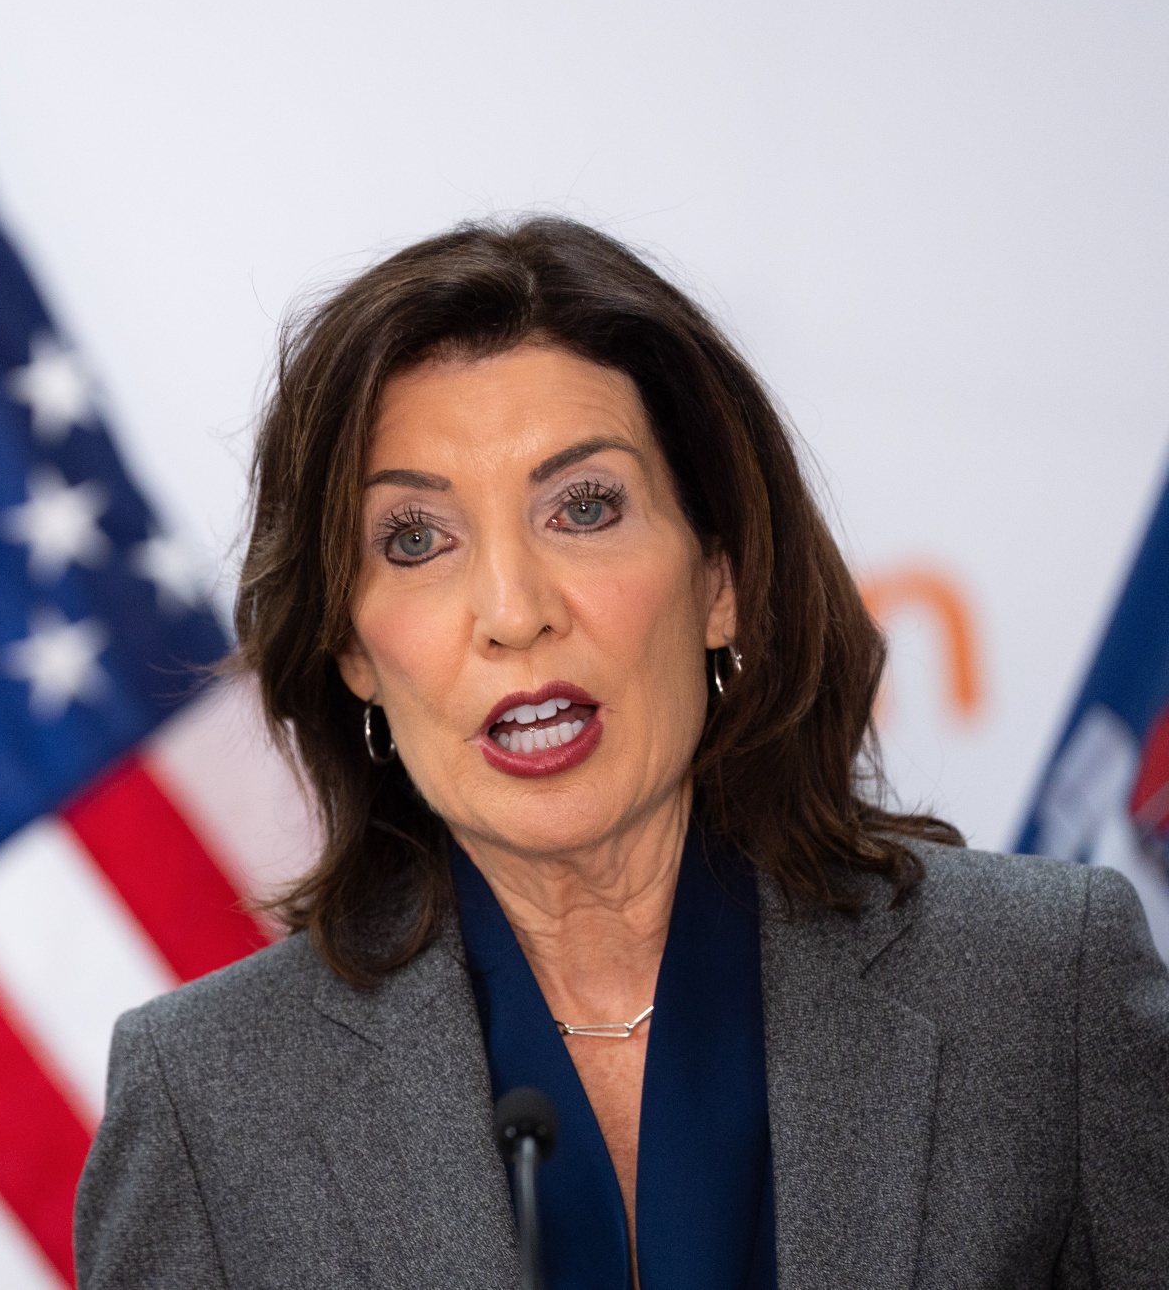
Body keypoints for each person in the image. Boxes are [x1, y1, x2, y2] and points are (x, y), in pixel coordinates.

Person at [72, 218, 1169, 1289]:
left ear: (719, 581)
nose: (514, 612)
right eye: (414, 539)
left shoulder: (1040, 986)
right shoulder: (207, 1100)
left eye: (583, 508)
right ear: (352, 649)